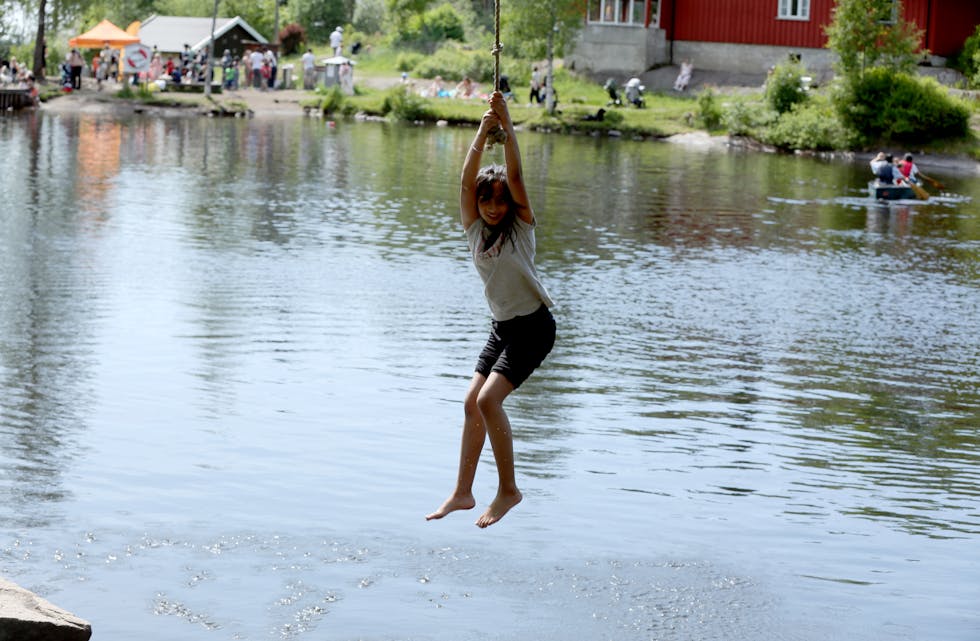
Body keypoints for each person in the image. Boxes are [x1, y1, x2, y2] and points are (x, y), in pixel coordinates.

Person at [426, 91, 556, 529]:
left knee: (488, 399)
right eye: (487, 201)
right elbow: (465, 183)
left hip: (534, 327)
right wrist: (482, 132)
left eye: (499, 201)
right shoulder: (474, 229)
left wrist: (508, 123)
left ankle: (509, 490)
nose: (494, 207)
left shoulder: (520, 227)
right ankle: (463, 492)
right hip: (502, 328)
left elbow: (515, 175)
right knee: (471, 404)